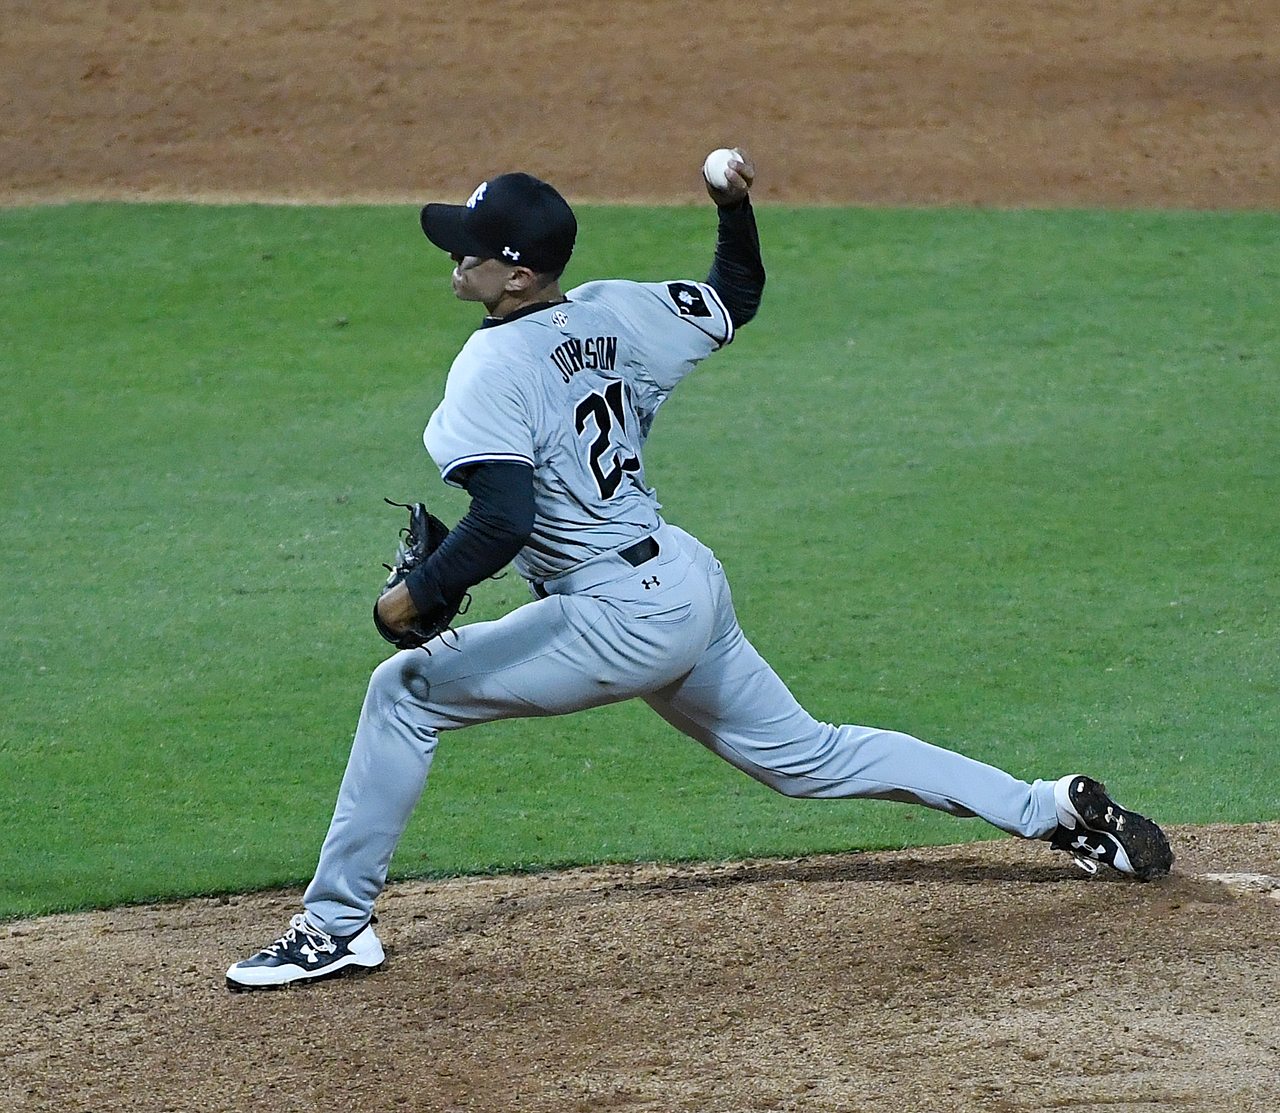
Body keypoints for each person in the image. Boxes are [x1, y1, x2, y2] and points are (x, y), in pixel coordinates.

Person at [226, 151, 1173, 990]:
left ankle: (334, 927)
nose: (455, 255)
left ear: (516, 272)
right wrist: (732, 205)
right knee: (812, 755)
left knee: (402, 692)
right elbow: (736, 293)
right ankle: (1052, 810)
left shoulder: (490, 368)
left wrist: (412, 600)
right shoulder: (615, 310)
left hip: (615, 617)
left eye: (471, 246)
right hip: (683, 582)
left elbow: (503, 518)